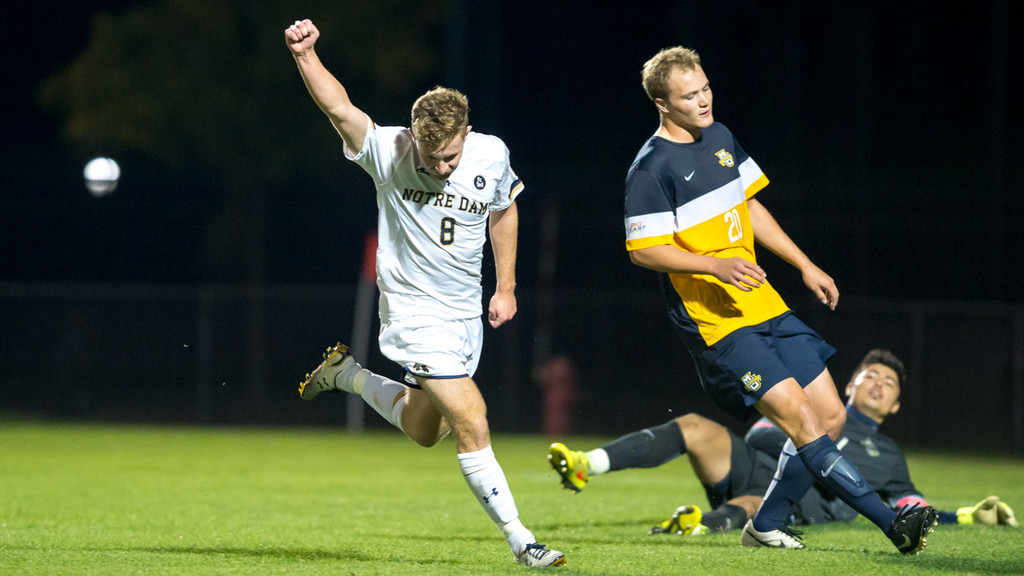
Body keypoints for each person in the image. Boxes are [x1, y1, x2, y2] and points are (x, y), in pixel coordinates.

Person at [618, 45, 937, 554]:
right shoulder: (650, 168)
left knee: (830, 416)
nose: (704, 100)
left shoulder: (720, 136)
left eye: (706, 88)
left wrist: (805, 264)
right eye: (689, 96)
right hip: (719, 323)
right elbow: (644, 250)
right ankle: (893, 525)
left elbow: (749, 207)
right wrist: (714, 264)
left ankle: (764, 524)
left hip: (765, 305)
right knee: (802, 420)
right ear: (662, 103)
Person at [284, 19, 565, 568]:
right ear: (412, 135)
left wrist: (506, 287)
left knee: (424, 430)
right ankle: (522, 541)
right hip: (413, 315)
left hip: (464, 316)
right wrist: (305, 55)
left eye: (450, 157)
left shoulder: (491, 153)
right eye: (430, 155)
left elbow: (504, 210)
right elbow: (340, 109)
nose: (440, 167)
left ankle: (346, 374)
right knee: (472, 420)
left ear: (467, 135)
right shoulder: (388, 150)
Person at [549, 349, 1019, 536]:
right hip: (751, 463)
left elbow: (911, 505)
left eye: (888, 383)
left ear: (895, 405)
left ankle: (696, 527)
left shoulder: (891, 457)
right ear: (849, 385)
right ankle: (588, 462)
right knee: (694, 425)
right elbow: (760, 430)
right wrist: (812, 447)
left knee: (761, 500)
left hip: (795, 501)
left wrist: (968, 515)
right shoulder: (821, 409)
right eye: (869, 375)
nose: (878, 383)